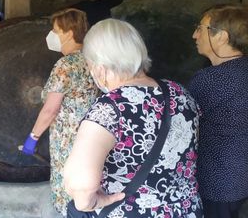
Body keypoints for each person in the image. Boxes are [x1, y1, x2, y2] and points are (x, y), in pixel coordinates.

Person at [63, 18, 202, 217]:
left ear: (99, 67)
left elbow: (81, 186)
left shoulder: (109, 109)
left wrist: (93, 202)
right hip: (185, 210)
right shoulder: (180, 93)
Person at [21, 8, 98, 216]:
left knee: (69, 192)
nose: (51, 35)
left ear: (70, 33)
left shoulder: (66, 65)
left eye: (56, 30)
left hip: (69, 141)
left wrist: (32, 138)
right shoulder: (94, 59)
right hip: (93, 136)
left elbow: (50, 109)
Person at [188, 4, 248, 218]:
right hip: (240, 178)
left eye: (200, 28)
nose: (195, 35)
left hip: (216, 181)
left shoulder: (210, 80)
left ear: (221, 37)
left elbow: (182, 123)